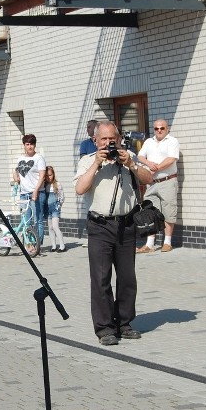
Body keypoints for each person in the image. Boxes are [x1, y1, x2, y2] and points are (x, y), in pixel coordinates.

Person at [74, 120, 152, 346]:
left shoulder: (128, 158)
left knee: (127, 278)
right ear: (95, 141)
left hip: (126, 225)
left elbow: (149, 179)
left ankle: (125, 323)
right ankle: (105, 328)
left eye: (112, 139)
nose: (109, 143)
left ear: (118, 139)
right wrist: (96, 165)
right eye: (104, 139)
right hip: (99, 226)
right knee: (101, 279)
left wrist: (132, 165)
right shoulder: (87, 161)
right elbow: (80, 189)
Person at [136, 118, 180, 253]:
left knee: (168, 211)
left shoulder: (172, 141)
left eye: (162, 128)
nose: (159, 130)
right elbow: (140, 156)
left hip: (167, 181)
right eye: (156, 128)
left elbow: (171, 159)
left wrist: (157, 168)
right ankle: (150, 245)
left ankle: (167, 242)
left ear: (167, 129)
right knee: (150, 212)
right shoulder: (149, 142)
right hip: (151, 183)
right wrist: (149, 164)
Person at [12, 133, 47, 248]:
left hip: (36, 192)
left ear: (35, 145)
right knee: (26, 221)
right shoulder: (21, 158)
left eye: (32, 144)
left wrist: (36, 191)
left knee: (38, 220)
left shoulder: (39, 158)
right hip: (23, 194)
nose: (30, 146)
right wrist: (16, 180)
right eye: (27, 144)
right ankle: (29, 244)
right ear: (24, 145)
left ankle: (37, 245)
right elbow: (17, 171)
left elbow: (42, 176)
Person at [44, 166, 66, 252]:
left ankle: (62, 246)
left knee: (55, 226)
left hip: (55, 208)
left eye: (50, 175)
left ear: (53, 174)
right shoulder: (44, 185)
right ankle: (53, 246)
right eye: (46, 175)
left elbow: (62, 196)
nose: (49, 177)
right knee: (50, 228)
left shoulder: (57, 184)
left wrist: (59, 205)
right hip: (47, 208)